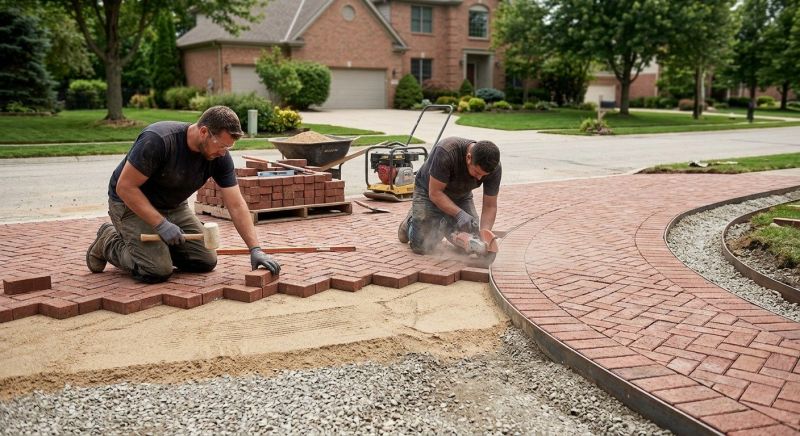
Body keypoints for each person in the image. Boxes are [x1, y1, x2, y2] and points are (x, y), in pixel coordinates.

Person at [86, 105, 280, 283]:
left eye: (228, 147)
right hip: (130, 204)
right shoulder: (158, 140)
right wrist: (161, 224)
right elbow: (125, 188)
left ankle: (158, 248)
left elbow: (236, 205)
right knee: (156, 270)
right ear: (204, 132)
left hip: (174, 206)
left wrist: (255, 249)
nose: (224, 153)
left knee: (205, 260)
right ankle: (108, 240)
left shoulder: (219, 157)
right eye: (222, 145)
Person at [397, 136, 501, 254]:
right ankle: (410, 222)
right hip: (428, 192)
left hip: (460, 195)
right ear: (468, 158)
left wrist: (484, 233)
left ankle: (444, 224)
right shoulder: (447, 151)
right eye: (477, 172)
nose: (479, 178)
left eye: (484, 175)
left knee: (472, 242)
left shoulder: (494, 168)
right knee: (421, 246)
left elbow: (490, 206)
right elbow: (435, 193)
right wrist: (460, 214)